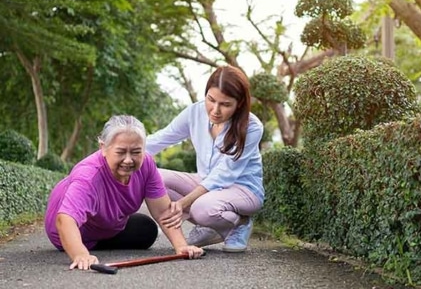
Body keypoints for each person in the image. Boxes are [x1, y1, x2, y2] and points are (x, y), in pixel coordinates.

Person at [44, 115, 203, 270]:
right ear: (103, 148)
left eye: (135, 152)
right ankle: (85, 245)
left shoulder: (147, 164)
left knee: (146, 230)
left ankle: (103, 237)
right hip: (69, 230)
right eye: (121, 152)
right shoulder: (89, 175)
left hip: (105, 224)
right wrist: (80, 254)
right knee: (135, 231)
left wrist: (182, 247)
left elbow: (163, 212)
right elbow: (65, 220)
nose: (128, 160)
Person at [146, 65, 264, 253]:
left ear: (239, 103)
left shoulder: (251, 127)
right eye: (211, 100)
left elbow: (223, 175)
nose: (215, 110)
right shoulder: (195, 112)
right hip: (206, 182)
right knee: (154, 177)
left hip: (243, 189)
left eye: (225, 104)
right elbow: (162, 138)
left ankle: (239, 222)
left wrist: (184, 203)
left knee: (202, 208)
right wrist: (113, 151)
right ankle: (212, 224)